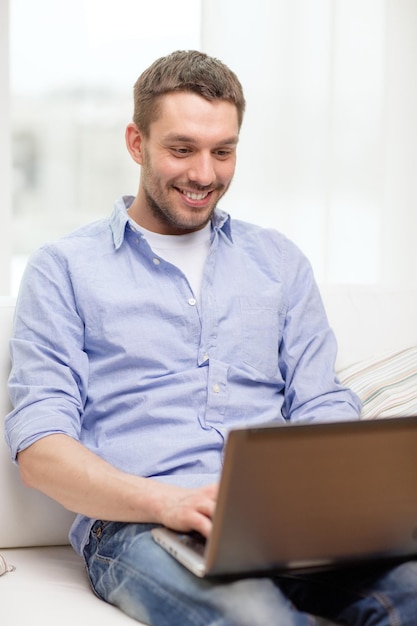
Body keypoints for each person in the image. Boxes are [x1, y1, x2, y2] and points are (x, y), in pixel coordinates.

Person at [4, 50, 417, 626]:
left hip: (284, 519)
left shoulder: (278, 261)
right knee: (255, 617)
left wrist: (340, 506)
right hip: (138, 527)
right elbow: (41, 449)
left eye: (223, 152)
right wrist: (167, 501)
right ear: (135, 142)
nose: (204, 174)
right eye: (182, 149)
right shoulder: (63, 268)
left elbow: (321, 402)